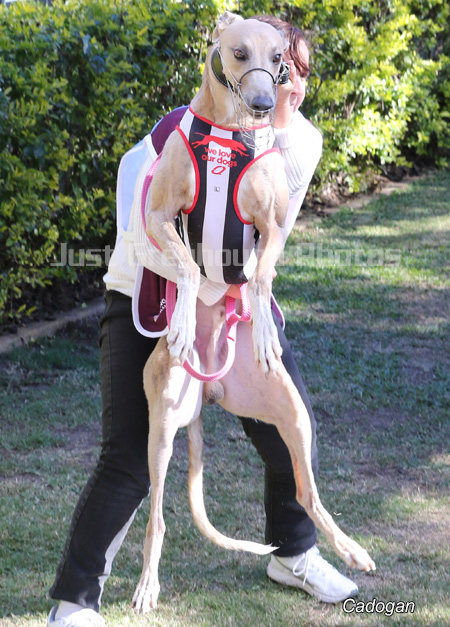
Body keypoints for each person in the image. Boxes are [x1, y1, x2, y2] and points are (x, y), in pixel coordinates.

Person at [47, 15, 357, 627]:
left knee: (290, 430)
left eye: (291, 70)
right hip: (146, 288)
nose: (283, 83)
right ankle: (74, 602)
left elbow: (269, 235)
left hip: (234, 298)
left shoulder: (300, 143)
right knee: (130, 456)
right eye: (256, 63)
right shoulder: (179, 131)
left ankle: (293, 554)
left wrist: (236, 297)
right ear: (229, 63)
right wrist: (191, 287)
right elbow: (142, 227)